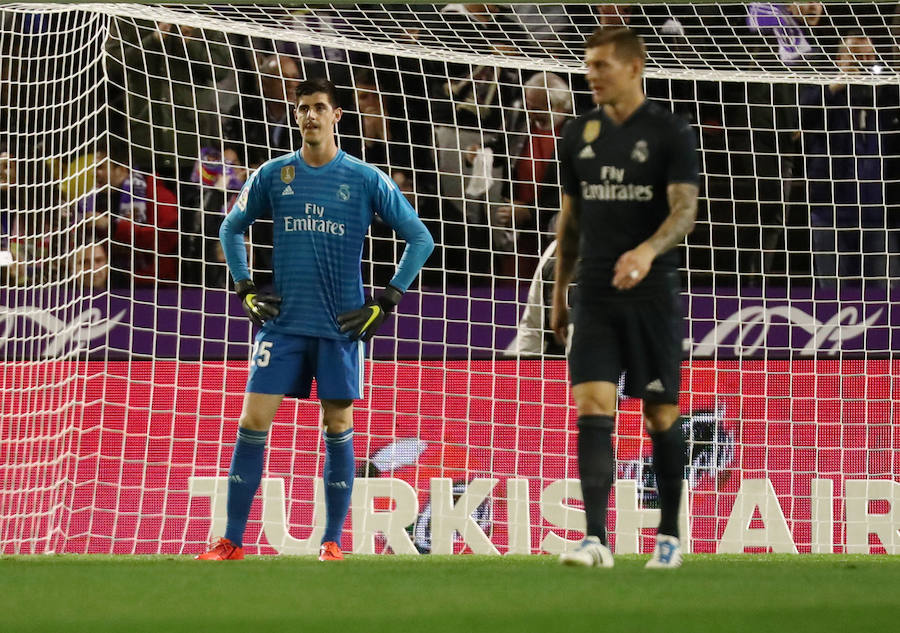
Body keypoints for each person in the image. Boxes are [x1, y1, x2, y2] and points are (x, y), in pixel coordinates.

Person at [198, 78, 434, 562]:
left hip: (339, 326)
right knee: (252, 420)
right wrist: (244, 287)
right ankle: (232, 540)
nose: (309, 116)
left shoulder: (365, 178)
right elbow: (230, 227)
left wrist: (386, 301)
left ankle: (331, 541)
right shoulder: (273, 174)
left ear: (336, 116)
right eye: (302, 108)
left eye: (318, 108)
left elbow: (420, 238)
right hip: (282, 325)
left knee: (337, 422)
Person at [551, 28, 699, 569]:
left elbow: (684, 210)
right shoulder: (577, 134)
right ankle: (594, 538)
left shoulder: (669, 132)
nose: (592, 74)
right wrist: (559, 294)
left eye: (602, 66)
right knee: (591, 405)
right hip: (593, 289)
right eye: (588, 66)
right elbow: (570, 221)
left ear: (634, 68)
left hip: (651, 293)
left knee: (660, 413)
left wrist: (646, 250)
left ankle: (668, 536)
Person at [800, 33, 900, 290]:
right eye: (856, 57)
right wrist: (838, 83)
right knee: (831, 296)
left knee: (886, 294)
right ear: (839, 59)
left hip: (877, 212)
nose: (864, 63)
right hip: (830, 211)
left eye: (869, 57)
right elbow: (800, 116)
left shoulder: (886, 93)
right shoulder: (822, 89)